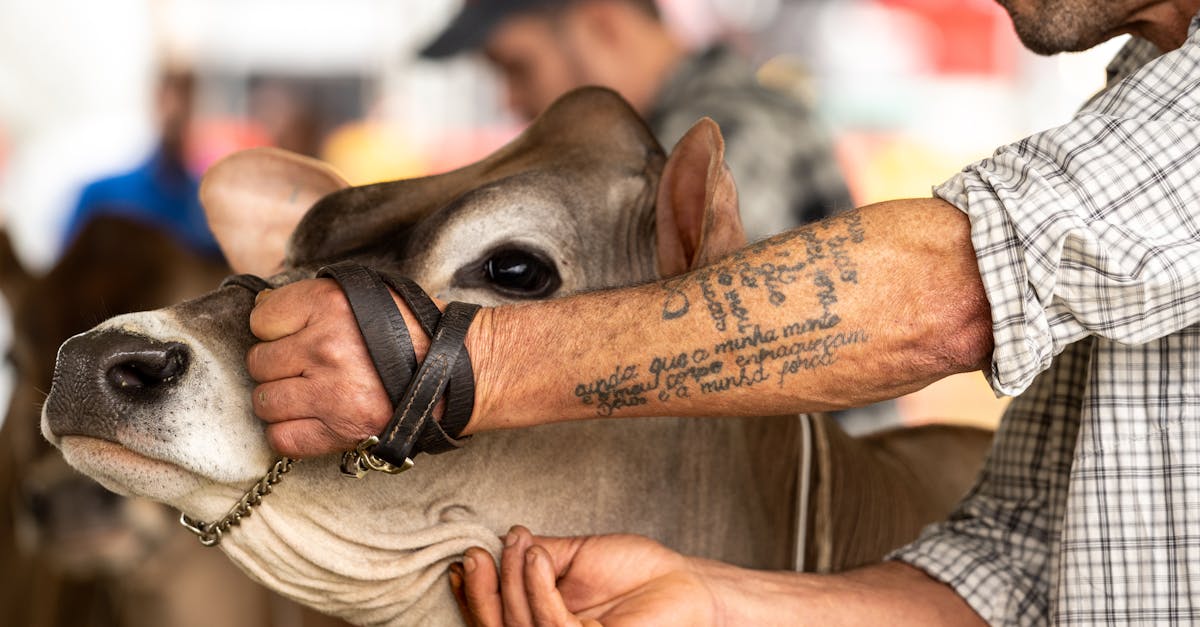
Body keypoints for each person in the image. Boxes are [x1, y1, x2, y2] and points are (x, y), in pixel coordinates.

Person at [245, 0, 1200, 623]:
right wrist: (708, 598)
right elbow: (1016, 567)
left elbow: (949, 290)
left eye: (512, 60)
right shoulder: (1135, 97)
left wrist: (451, 367)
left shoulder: (736, 130)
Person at [420, 0, 853, 241]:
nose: (510, 100)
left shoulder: (730, 134)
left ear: (601, 27)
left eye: (517, 66)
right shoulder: (691, 130)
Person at [61, 69, 223, 261]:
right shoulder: (101, 198)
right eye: (169, 93)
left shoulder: (211, 207)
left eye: (186, 94)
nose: (176, 109)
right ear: (156, 100)